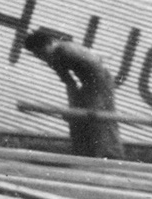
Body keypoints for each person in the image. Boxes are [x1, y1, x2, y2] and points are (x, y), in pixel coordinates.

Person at [22, 28, 126, 159]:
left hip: (100, 80)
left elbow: (97, 67)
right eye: (37, 55)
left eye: (40, 53)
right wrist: (74, 105)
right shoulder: (52, 56)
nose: (40, 57)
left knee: (101, 118)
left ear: (48, 44)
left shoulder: (66, 50)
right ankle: (83, 152)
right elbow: (69, 83)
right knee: (77, 117)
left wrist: (97, 100)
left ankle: (112, 155)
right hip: (89, 82)